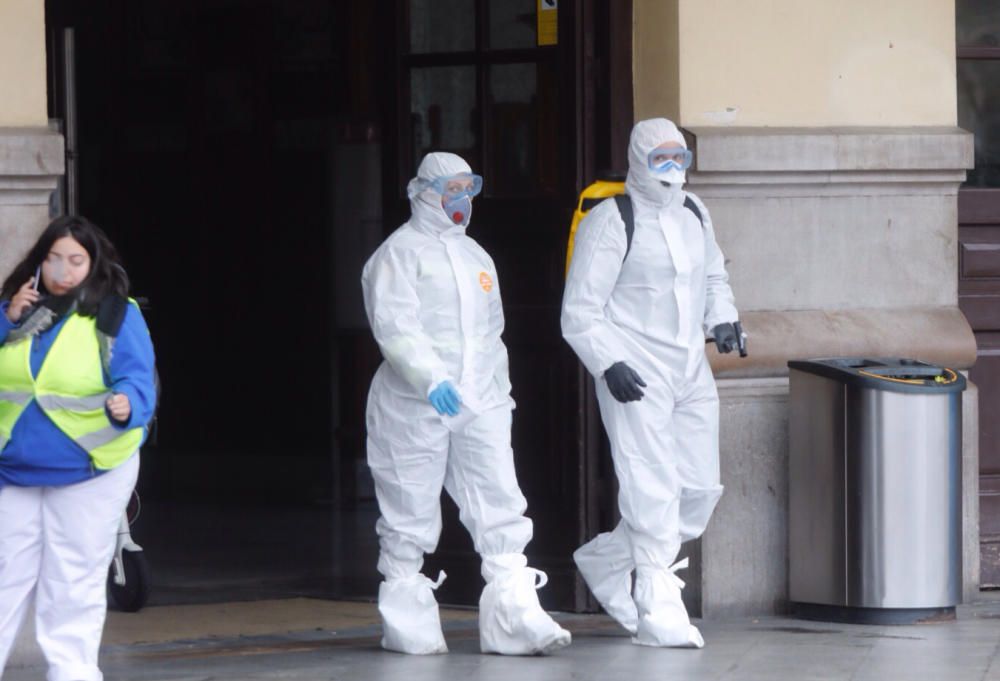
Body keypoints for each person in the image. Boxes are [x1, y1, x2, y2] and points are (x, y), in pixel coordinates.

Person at [362, 152, 571, 656]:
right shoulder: (397, 255)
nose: (461, 200)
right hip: (414, 407)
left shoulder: (477, 256)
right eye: (451, 190)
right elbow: (395, 326)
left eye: (466, 189)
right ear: (424, 192)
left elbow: (490, 332)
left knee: (499, 500)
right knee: (410, 506)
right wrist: (430, 378)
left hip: (480, 402)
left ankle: (513, 617)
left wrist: (497, 393)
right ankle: (408, 622)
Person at [561, 118, 741, 648]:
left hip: (689, 367)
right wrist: (607, 361)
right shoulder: (611, 220)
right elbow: (580, 310)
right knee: (651, 485)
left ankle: (606, 560)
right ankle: (658, 602)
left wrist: (722, 318)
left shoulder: (694, 211)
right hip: (635, 370)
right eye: (661, 158)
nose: (672, 169)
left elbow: (712, 275)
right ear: (639, 158)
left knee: (699, 488)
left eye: (679, 158)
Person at [0, 215, 157, 681]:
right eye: (53, 259)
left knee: (72, 577)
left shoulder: (113, 312)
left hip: (90, 464)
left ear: (93, 264)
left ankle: (71, 673)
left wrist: (130, 403)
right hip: (17, 466)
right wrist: (6, 319)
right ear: (38, 262)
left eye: (75, 260)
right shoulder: (19, 311)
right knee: (6, 571)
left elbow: (137, 374)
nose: (62, 270)